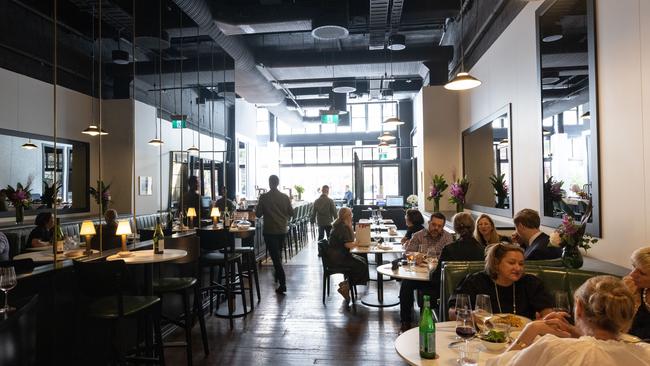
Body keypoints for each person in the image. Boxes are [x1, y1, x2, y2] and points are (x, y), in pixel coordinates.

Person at [488, 276, 650, 366]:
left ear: (579, 307)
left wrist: (530, 330)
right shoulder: (645, 353)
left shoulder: (554, 347)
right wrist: (577, 333)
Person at [400, 212, 483, 331]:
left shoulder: (449, 243)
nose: (436, 228)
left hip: (445, 286)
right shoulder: (481, 249)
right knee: (406, 283)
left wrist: (433, 272)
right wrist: (415, 258)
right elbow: (407, 254)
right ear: (428, 223)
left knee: (418, 287)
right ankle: (405, 322)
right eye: (434, 225)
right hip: (472, 290)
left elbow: (438, 276)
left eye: (440, 226)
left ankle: (425, 322)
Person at [450, 242, 553, 321]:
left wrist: (548, 319)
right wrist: (470, 315)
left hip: (523, 338)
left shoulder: (531, 283)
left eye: (521, 264)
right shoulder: (475, 282)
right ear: (496, 263)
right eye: (511, 263)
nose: (518, 268)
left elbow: (548, 313)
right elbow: (452, 313)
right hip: (483, 337)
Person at [256, 175, 294, 294]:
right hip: (282, 230)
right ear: (278, 183)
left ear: (269, 183)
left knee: (275, 258)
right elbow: (291, 213)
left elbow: (258, 214)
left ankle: (282, 284)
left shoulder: (264, 197)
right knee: (278, 255)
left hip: (270, 231)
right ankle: (278, 275)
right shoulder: (284, 197)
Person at [326, 207, 368, 303]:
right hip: (338, 258)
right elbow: (348, 244)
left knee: (363, 261)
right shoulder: (341, 227)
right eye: (350, 214)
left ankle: (346, 284)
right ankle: (346, 286)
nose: (352, 216)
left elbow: (351, 240)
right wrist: (357, 243)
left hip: (339, 255)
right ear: (346, 216)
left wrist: (350, 226)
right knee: (361, 265)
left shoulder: (343, 225)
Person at [623, 246, 650, 340]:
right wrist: (624, 299)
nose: (632, 274)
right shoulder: (636, 289)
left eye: (642, 273)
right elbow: (614, 328)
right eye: (634, 266)